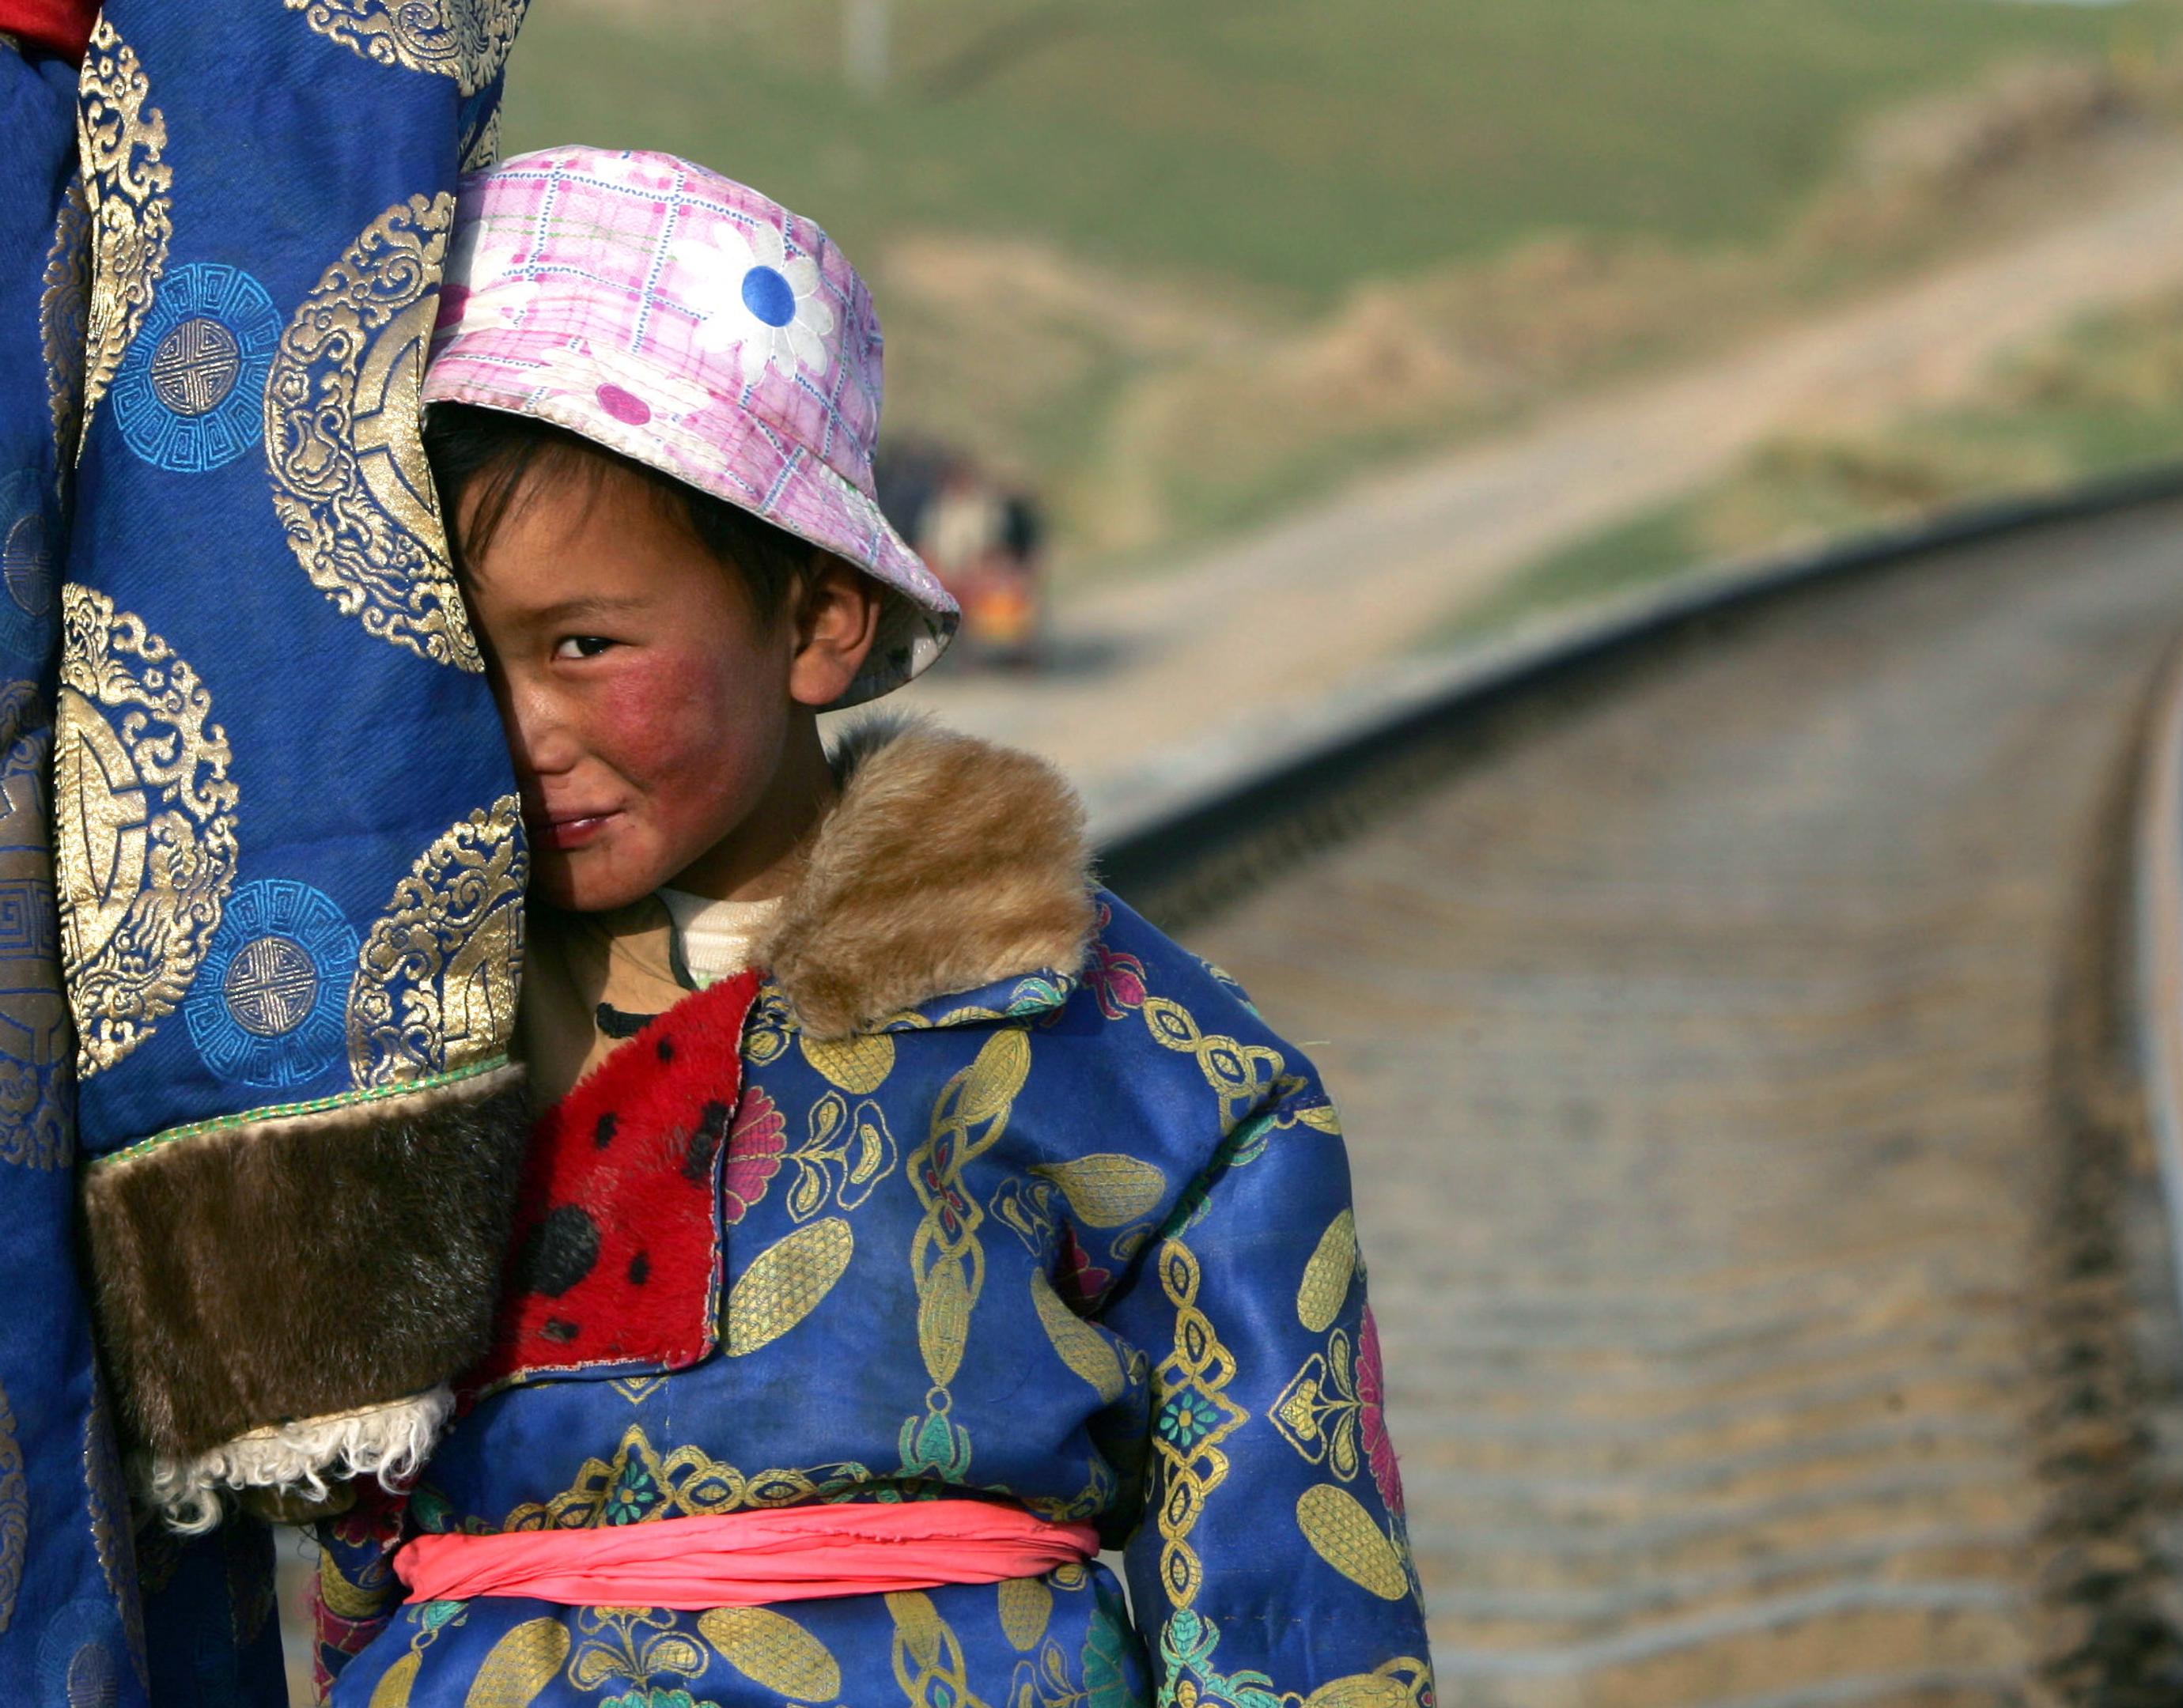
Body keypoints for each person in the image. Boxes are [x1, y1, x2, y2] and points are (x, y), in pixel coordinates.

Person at [308, 146, 1432, 1707]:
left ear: (817, 618)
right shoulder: (349, 1034)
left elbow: (1286, 1568)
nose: (516, 729)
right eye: (446, 650)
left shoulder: (1101, 1046)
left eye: (582, 644)